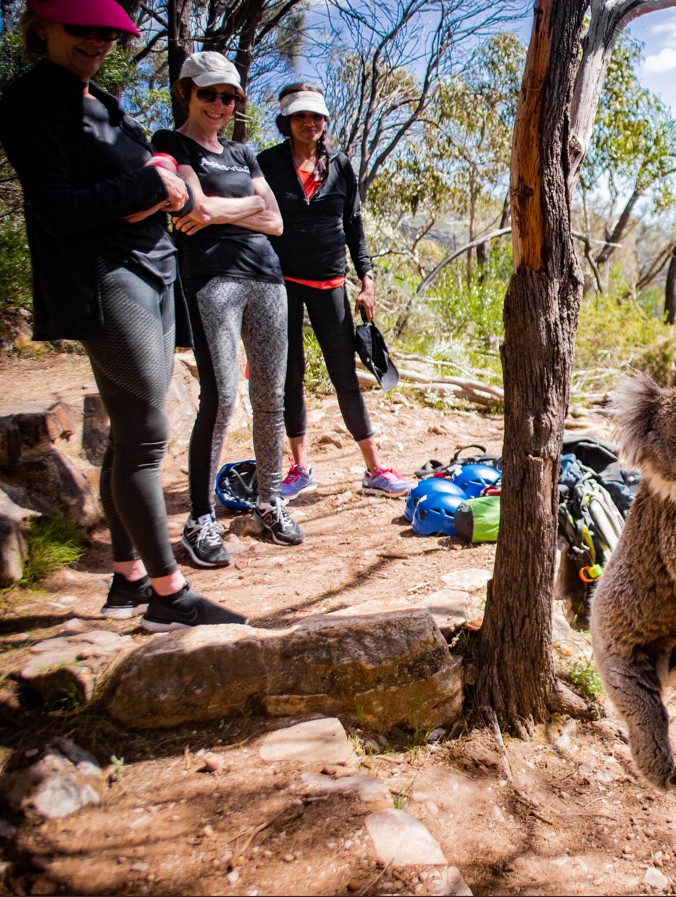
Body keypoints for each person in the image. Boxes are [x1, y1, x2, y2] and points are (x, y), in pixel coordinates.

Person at [0, 0, 246, 630]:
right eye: (82, 29)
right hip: (107, 276)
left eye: (108, 32)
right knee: (145, 432)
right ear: (42, 27)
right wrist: (151, 187)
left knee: (128, 433)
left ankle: (129, 577)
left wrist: (162, 180)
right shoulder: (31, 100)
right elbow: (56, 209)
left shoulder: (103, 102)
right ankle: (170, 595)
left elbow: (156, 181)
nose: (98, 41)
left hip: (155, 269)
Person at [152, 51, 303, 568]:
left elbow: (276, 221)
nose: (219, 104)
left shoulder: (242, 153)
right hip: (212, 279)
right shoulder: (172, 143)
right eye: (209, 94)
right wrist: (244, 207)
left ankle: (269, 501)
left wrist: (220, 211)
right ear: (186, 93)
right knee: (219, 400)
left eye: (229, 97)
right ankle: (199, 519)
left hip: (267, 278)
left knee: (271, 398)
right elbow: (193, 208)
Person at [257, 82, 411, 498]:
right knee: (290, 375)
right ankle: (299, 468)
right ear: (286, 121)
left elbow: (354, 226)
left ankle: (375, 469)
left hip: (330, 283)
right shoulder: (267, 164)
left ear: (325, 121)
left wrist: (367, 279)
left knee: (345, 374)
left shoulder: (340, 166)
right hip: (281, 285)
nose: (309, 123)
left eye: (316, 116)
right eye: (300, 116)